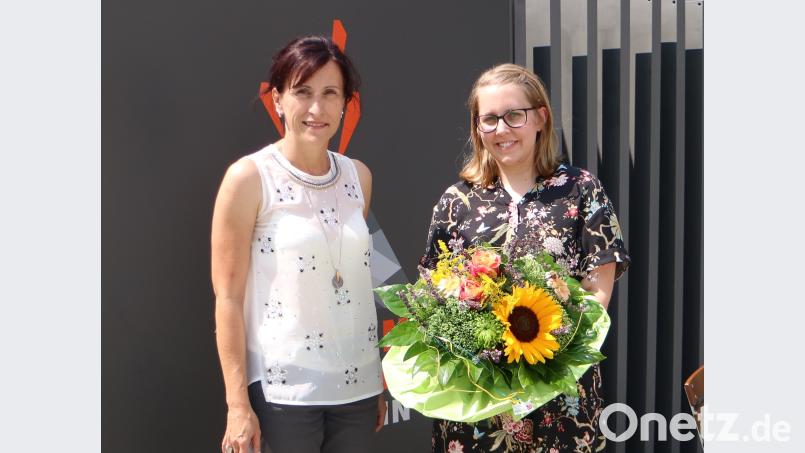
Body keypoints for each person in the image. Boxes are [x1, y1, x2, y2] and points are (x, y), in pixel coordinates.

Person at [422, 64, 630, 453]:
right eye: (489, 119)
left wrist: (541, 363)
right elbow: (433, 295)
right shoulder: (457, 202)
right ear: (477, 128)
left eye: (514, 115)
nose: (501, 130)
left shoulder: (580, 190)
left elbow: (596, 295)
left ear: (540, 118)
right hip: (475, 404)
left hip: (559, 397)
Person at [211, 36, 386, 453]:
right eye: (302, 92)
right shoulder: (249, 178)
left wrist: (376, 380)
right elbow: (228, 298)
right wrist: (237, 405)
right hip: (284, 393)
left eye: (330, 94)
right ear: (277, 100)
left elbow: (353, 282)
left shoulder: (358, 177)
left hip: (357, 391)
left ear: (347, 104)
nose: (316, 109)